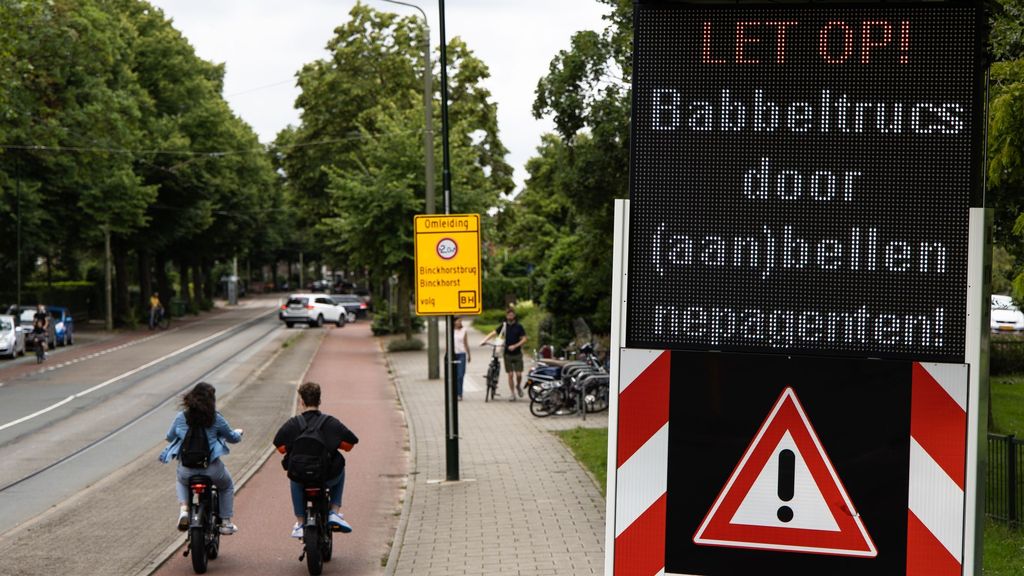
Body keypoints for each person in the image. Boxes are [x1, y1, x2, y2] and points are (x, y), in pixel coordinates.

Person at [274, 381, 359, 539]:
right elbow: (351, 443)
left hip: (301, 479)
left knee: (294, 477)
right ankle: (334, 512)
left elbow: (279, 446)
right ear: (319, 400)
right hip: (327, 477)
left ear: (302, 401)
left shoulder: (292, 424)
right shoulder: (331, 422)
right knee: (340, 467)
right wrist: (336, 443)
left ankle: (300, 523)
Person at [159, 382, 244, 535]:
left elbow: (169, 437)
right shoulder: (216, 418)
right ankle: (226, 522)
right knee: (226, 486)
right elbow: (232, 438)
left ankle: (184, 509)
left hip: (187, 469)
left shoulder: (181, 417)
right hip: (211, 469)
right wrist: (238, 433)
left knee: (181, 481)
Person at [480, 308, 528, 400]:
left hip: (517, 353)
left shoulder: (519, 327)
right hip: (507, 354)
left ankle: (518, 386)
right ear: (506, 316)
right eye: (508, 315)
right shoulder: (504, 326)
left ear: (514, 316)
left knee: (518, 374)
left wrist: (515, 346)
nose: (510, 316)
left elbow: (524, 339)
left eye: (512, 315)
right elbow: (493, 333)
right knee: (510, 375)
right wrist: (484, 340)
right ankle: (512, 394)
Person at [452, 317, 471, 401]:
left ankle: (459, 394)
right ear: (454, 322)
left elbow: (466, 343)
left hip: (461, 354)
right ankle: (454, 393)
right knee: (453, 375)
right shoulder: (450, 330)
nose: (459, 322)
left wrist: (469, 355)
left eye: (460, 321)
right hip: (453, 355)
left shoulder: (464, 330)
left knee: (460, 375)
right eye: (458, 321)